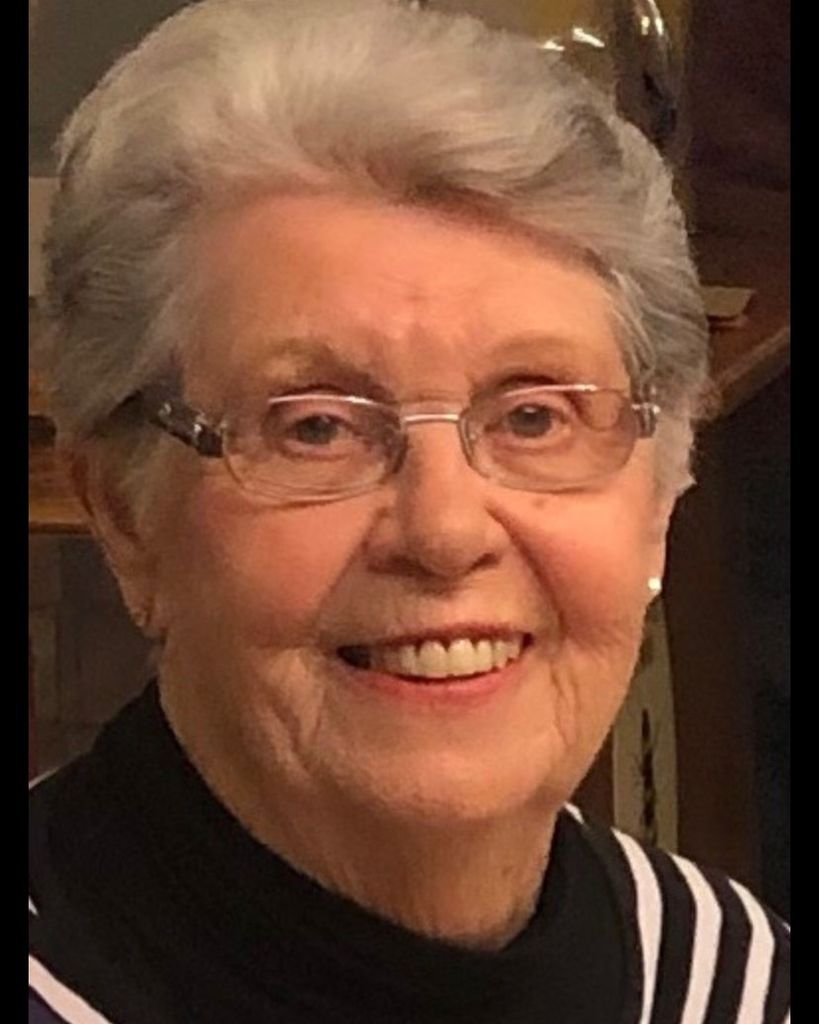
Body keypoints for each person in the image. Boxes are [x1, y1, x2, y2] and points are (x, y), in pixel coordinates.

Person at [28, 1, 790, 1021]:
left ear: (659, 492)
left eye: (533, 416)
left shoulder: (732, 976)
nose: (444, 532)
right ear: (123, 513)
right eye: (315, 427)